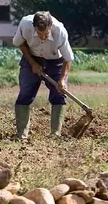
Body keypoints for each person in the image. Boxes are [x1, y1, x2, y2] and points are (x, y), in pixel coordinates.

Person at [12, 11, 75, 140]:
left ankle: (55, 135)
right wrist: (32, 63)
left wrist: (62, 79)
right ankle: (21, 136)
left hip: (55, 61)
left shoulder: (60, 31)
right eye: (40, 35)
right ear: (34, 27)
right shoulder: (25, 24)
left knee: (59, 95)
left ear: (50, 27)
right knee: (25, 94)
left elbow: (68, 59)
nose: (43, 38)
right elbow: (19, 43)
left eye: (46, 34)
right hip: (31, 58)